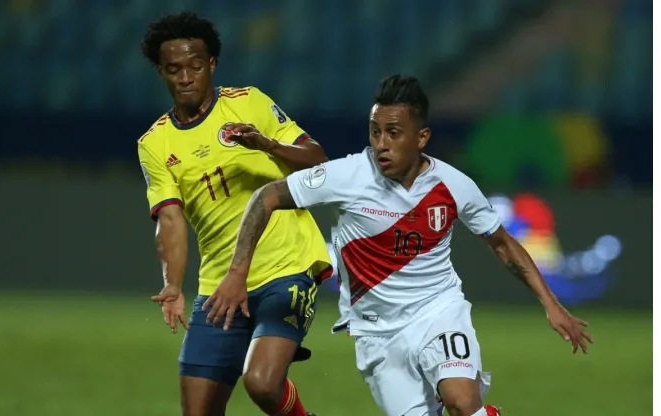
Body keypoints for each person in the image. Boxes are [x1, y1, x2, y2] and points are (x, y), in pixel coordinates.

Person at [208, 74, 594, 416]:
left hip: (438, 311)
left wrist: (551, 304)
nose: (381, 144)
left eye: (393, 133)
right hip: (377, 333)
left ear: (421, 137)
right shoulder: (347, 176)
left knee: (461, 400)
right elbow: (265, 198)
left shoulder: (453, 185)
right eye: (374, 131)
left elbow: (502, 243)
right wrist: (237, 272)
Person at [137, 12, 331, 416]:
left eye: (195, 65)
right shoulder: (155, 144)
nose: (186, 77)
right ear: (161, 73)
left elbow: (318, 160)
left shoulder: (250, 103)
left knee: (261, 383)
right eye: (174, 69)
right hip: (219, 285)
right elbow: (170, 221)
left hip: (286, 267)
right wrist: (172, 284)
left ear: (211, 64)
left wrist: (267, 145)